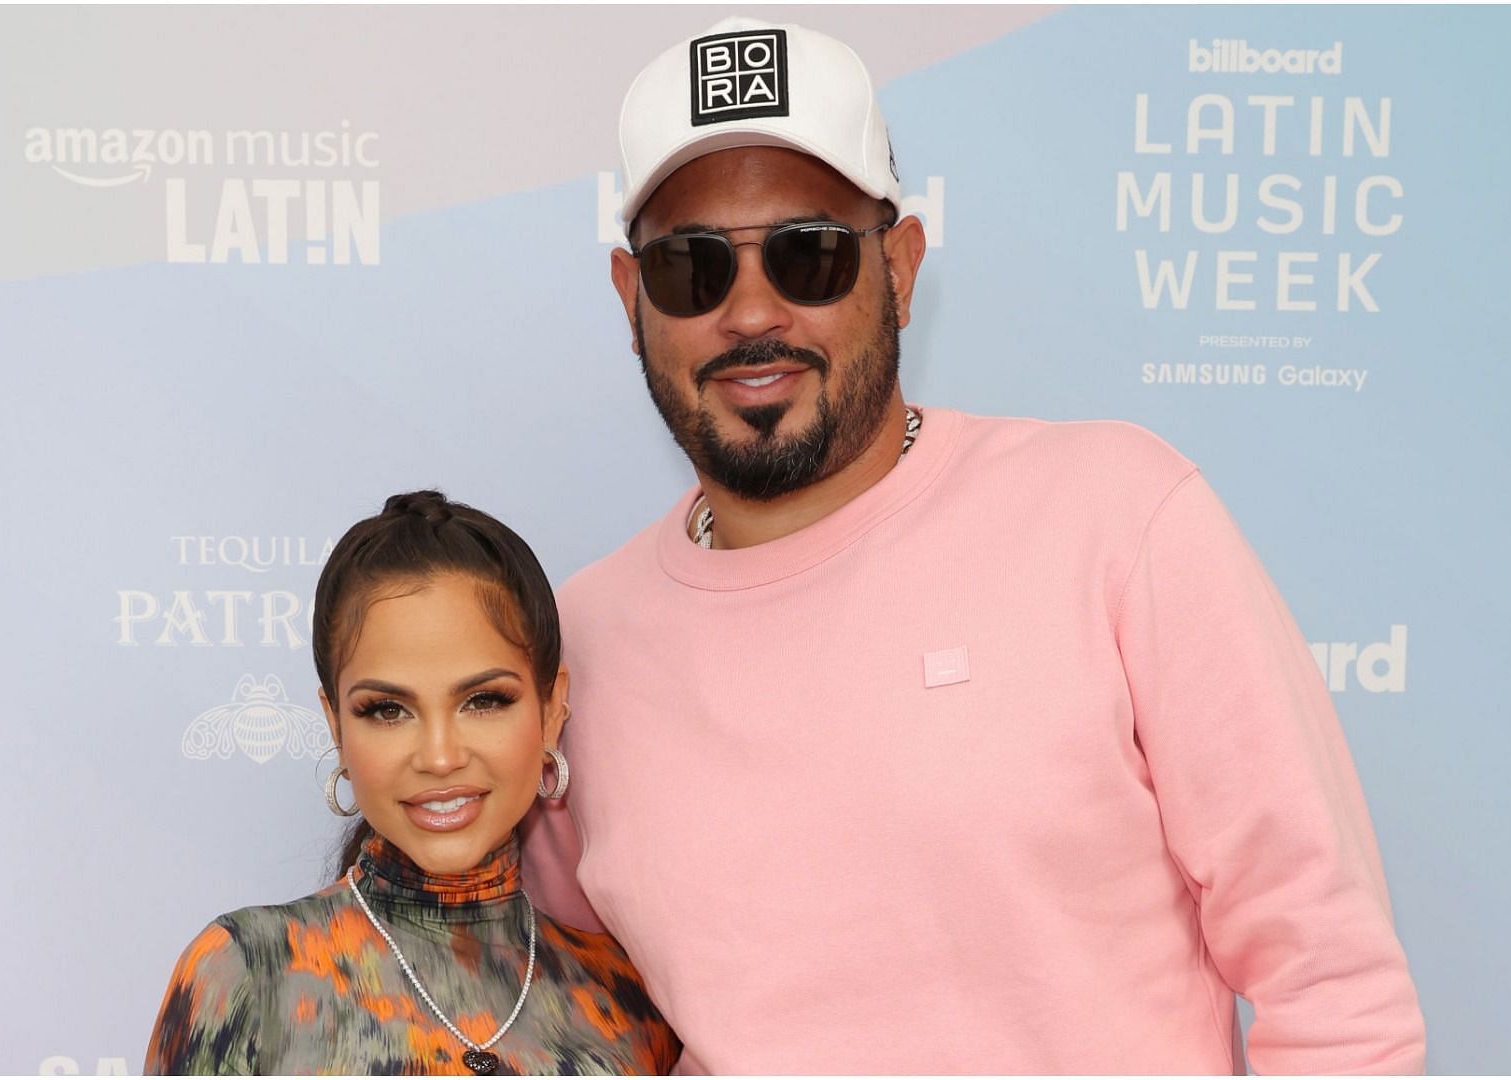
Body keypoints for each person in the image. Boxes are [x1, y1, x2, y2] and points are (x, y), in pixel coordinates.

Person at [519, 15, 1427, 1075]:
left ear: (899, 266)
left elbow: (1334, 992)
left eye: (809, 255)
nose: (751, 311)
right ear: (633, 303)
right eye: (693, 269)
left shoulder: (1116, 518)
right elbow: (561, 1018)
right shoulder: (577, 644)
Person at [146, 491, 679, 1075]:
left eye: (483, 701)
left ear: (552, 710)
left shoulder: (622, 1000)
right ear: (336, 724)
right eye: (388, 710)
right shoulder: (250, 972)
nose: (440, 756)